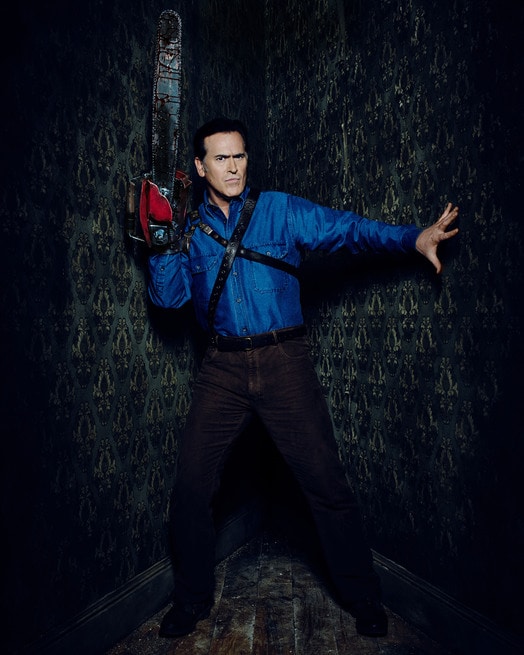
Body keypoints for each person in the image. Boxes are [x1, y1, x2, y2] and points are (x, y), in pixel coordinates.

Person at [148, 117, 459, 639]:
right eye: (221, 158)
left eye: (239, 156)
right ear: (200, 167)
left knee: (326, 483)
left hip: (283, 360)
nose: (233, 167)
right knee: (190, 491)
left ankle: (362, 595)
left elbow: (349, 230)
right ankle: (192, 599)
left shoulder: (281, 210)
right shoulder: (189, 232)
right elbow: (169, 299)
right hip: (222, 367)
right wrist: (161, 241)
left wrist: (413, 238)